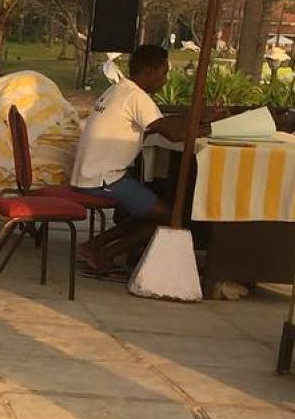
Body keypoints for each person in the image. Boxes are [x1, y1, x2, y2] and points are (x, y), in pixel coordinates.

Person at [70, 44, 206, 273]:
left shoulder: (118, 90)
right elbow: (173, 134)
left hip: (90, 174)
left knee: (149, 208)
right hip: (104, 179)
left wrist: (197, 117)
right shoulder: (135, 96)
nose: (165, 80)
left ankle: (93, 246)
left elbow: (161, 124)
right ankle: (105, 253)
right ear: (149, 71)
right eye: (164, 73)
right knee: (170, 216)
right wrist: (210, 127)